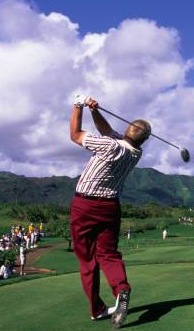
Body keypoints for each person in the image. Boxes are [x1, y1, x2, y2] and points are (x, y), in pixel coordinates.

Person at [69, 95, 151, 328]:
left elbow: (75, 135)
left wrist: (78, 105)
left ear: (127, 130)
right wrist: (95, 111)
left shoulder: (111, 145)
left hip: (85, 205)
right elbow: (107, 131)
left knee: (87, 259)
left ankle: (97, 309)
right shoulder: (135, 152)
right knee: (109, 254)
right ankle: (122, 289)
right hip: (110, 207)